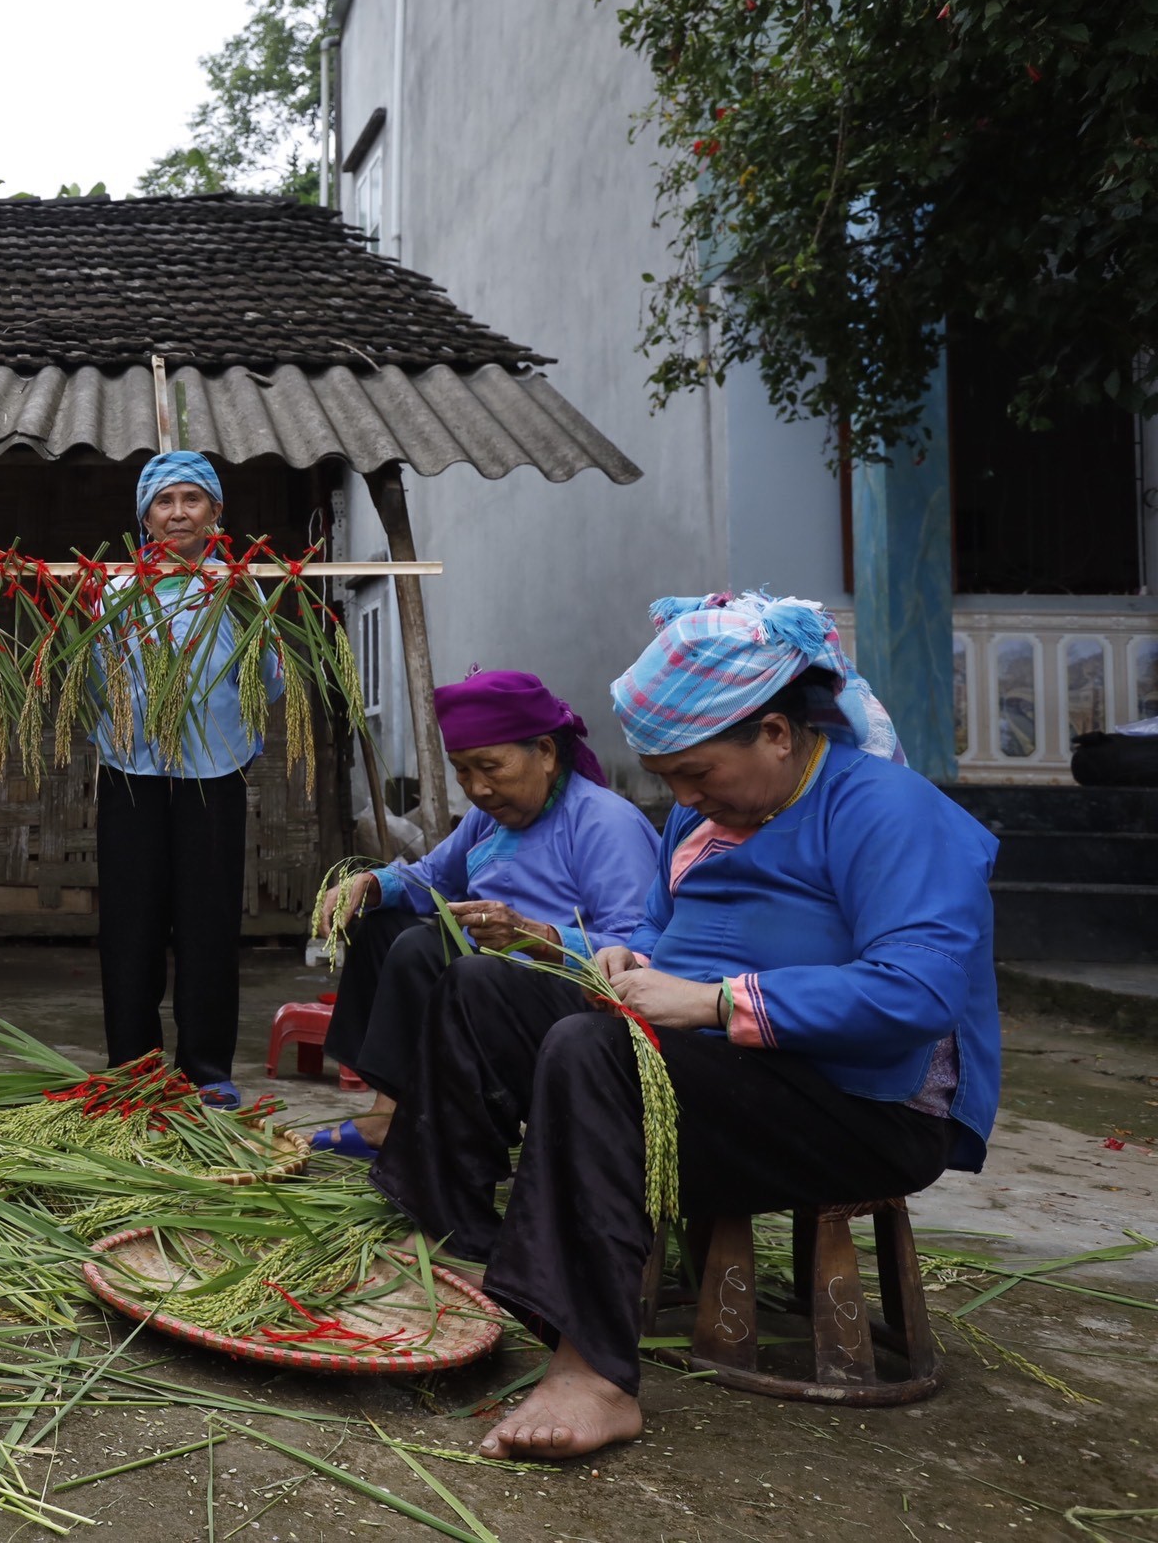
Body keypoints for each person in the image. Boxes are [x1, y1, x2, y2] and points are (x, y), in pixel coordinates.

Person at [371, 592, 998, 1462]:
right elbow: (666, 935)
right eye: (669, 780)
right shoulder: (701, 821)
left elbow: (916, 991)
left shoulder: (888, 812)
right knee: (482, 985)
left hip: (859, 1108)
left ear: (776, 734)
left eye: (699, 774)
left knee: (595, 1051)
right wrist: (631, 962)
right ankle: (444, 1238)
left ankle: (594, 1371)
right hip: (716, 1080)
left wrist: (712, 1003)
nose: (684, 797)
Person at [310, 669, 661, 1154]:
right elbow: (434, 877)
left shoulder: (605, 823)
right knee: (384, 926)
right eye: (462, 770)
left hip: (571, 998)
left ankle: (423, 1128)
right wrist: (371, 884)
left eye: (490, 767)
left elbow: (642, 948)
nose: (476, 788)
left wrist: (539, 936)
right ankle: (388, 1113)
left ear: (545, 753)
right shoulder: (490, 817)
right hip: (489, 975)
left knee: (422, 949)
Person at [90, 451, 282, 1108]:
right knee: (129, 922)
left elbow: (269, 681)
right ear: (144, 517)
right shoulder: (115, 591)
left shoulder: (240, 589)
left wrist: (236, 729)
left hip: (213, 769)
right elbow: (92, 678)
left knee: (207, 922)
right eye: (164, 501)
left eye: (191, 500)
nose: (178, 513)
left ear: (215, 512)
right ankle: (133, 1068)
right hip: (130, 770)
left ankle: (206, 1067)